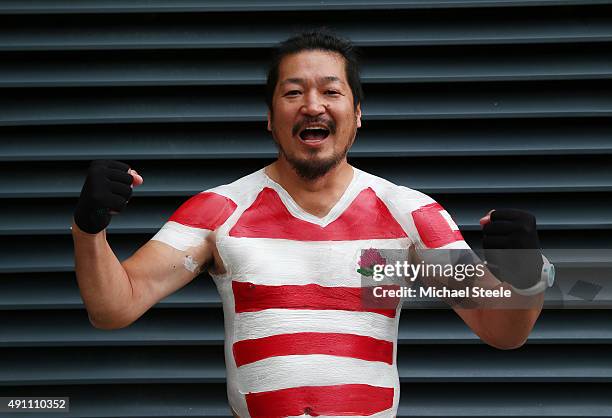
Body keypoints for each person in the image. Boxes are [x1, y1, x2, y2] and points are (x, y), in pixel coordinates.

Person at [72, 30, 551, 418]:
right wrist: (89, 228)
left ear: (357, 115)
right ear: (270, 118)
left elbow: (502, 329)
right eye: (294, 92)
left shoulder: (409, 214)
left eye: (331, 91)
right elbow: (115, 307)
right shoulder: (218, 209)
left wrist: (526, 274)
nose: (313, 105)